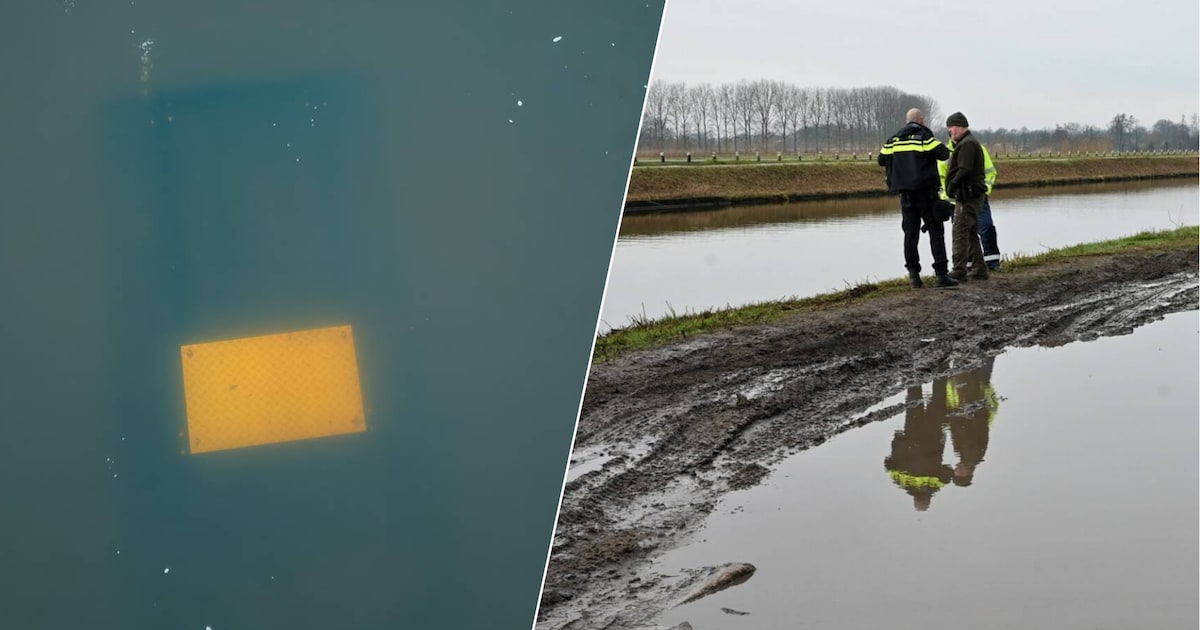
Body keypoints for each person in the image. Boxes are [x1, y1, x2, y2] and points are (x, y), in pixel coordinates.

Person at [877, 108, 958, 289]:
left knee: (910, 235)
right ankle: (941, 275)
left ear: (907, 121)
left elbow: (881, 160)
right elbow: (944, 154)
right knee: (936, 232)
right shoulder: (924, 137)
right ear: (922, 120)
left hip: (905, 195)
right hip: (927, 194)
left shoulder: (893, 140)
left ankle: (914, 275)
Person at [939, 138, 1002, 271]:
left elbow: (990, 172)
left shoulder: (979, 148)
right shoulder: (945, 153)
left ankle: (992, 262)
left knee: (986, 227)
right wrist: (948, 196)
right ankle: (968, 265)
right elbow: (941, 178)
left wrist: (984, 191)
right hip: (956, 202)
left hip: (978, 198)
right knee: (962, 234)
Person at [943, 112, 988, 281]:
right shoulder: (968, 142)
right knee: (970, 233)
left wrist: (952, 185)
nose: (950, 131)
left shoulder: (967, 144)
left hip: (967, 196)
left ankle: (959, 270)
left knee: (960, 232)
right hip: (972, 195)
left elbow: (964, 169)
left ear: (960, 127)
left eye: (951, 127)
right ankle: (979, 268)